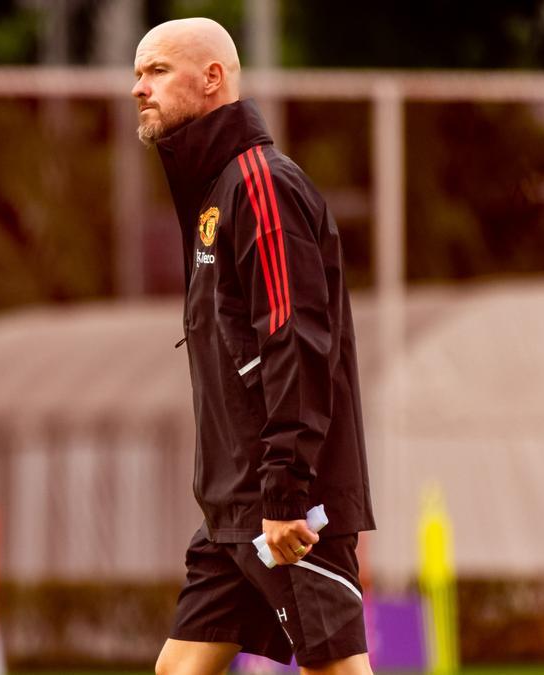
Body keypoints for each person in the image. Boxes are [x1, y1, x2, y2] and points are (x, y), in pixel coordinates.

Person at [131, 18, 376, 675]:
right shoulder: (212, 194)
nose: (138, 88)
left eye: (156, 70)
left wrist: (284, 492)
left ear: (213, 78)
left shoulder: (259, 184)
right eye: (137, 73)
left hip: (287, 504)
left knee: (338, 670)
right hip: (232, 506)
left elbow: (294, 340)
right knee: (177, 669)